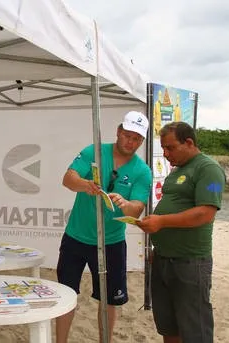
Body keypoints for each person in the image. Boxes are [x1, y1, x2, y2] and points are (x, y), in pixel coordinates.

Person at [56, 111, 152, 343]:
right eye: (127, 135)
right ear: (119, 131)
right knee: (66, 294)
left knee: (109, 300)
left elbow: (137, 209)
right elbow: (68, 179)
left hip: (111, 242)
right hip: (75, 238)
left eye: (136, 139)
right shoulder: (93, 151)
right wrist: (84, 184)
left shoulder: (142, 170)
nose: (130, 142)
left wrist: (126, 204)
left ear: (142, 141)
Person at [138, 122, 225, 343]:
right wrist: (158, 247)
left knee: (195, 329)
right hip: (163, 259)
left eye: (170, 148)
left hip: (190, 262)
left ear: (189, 142)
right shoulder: (178, 170)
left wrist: (161, 221)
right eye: (163, 148)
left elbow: (205, 213)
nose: (166, 154)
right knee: (168, 326)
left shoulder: (209, 169)